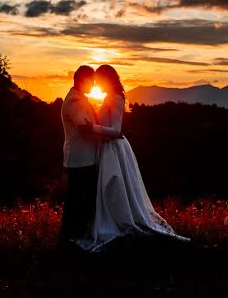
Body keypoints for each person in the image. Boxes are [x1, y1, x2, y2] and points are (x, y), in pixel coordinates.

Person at [72, 64, 190, 252]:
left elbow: (117, 130)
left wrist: (93, 128)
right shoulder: (108, 98)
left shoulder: (116, 99)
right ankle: (110, 219)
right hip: (106, 148)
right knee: (108, 188)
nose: (95, 83)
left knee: (114, 186)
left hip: (115, 149)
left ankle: (121, 220)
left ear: (107, 79)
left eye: (98, 79)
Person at [58, 65, 122, 249]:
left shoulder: (80, 99)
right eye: (91, 81)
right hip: (80, 160)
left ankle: (76, 239)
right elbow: (83, 128)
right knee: (76, 202)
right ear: (81, 80)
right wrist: (109, 133)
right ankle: (69, 241)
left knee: (83, 202)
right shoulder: (74, 102)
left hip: (86, 159)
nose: (93, 84)